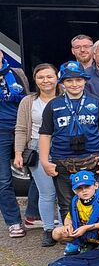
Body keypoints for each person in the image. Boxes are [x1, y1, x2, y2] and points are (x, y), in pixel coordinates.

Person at [39, 61, 99, 220]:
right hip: (62, 161)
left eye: (78, 80)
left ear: (85, 80)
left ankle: (94, 233)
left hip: (92, 160)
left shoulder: (96, 102)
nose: (74, 84)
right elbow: (45, 134)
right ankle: (71, 233)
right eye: (69, 80)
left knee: (95, 200)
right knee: (66, 202)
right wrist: (45, 161)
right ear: (62, 83)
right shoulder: (53, 105)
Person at [14, 63, 58, 245]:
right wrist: (18, 153)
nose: (45, 80)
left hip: (63, 149)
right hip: (37, 149)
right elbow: (21, 128)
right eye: (41, 77)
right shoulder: (28, 101)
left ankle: (65, 230)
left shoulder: (65, 97)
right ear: (35, 80)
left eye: (49, 76)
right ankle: (49, 229)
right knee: (47, 193)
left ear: (57, 78)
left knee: (64, 193)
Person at [52, 170, 99, 254]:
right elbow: (68, 218)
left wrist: (87, 228)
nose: (84, 191)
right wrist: (68, 225)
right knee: (56, 233)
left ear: (96, 185)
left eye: (87, 186)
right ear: (74, 191)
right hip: (82, 229)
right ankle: (78, 244)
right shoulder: (75, 201)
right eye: (79, 188)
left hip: (97, 229)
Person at [0, 51, 27, 238]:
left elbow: (26, 99)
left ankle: (33, 213)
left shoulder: (17, 73)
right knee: (3, 180)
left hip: (21, 128)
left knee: (40, 171)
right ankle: (13, 221)